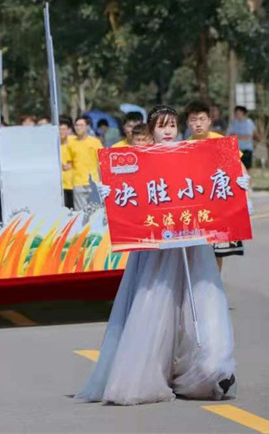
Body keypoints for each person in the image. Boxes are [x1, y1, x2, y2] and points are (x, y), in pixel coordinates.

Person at [75, 105, 237, 405]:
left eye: (172, 125)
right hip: (156, 248)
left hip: (191, 244)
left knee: (202, 303)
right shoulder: (139, 159)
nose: (168, 131)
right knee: (156, 306)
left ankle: (209, 370)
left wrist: (237, 185)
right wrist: (110, 194)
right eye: (162, 126)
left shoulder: (192, 153)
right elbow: (124, 199)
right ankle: (149, 373)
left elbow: (215, 185)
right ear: (151, 131)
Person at [185, 101, 250, 271]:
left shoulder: (220, 142)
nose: (198, 124)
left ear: (209, 120)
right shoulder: (184, 147)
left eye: (201, 119)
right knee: (196, 251)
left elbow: (238, 166)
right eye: (193, 120)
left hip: (218, 204)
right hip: (196, 205)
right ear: (187, 123)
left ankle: (215, 284)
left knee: (217, 251)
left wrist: (245, 190)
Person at [67, 116, 103, 210]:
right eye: (76, 125)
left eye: (81, 125)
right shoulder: (70, 143)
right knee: (81, 212)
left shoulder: (95, 142)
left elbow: (101, 162)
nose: (78, 127)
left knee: (97, 211)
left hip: (94, 181)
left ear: (87, 126)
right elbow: (69, 162)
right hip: (78, 182)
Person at [59, 116, 75, 209]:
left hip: (74, 183)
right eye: (59, 129)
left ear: (69, 130)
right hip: (61, 185)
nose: (61, 132)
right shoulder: (54, 144)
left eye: (63, 129)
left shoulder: (74, 142)